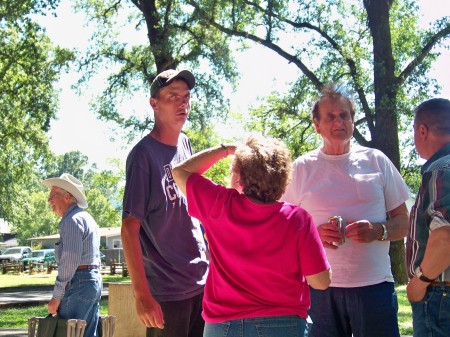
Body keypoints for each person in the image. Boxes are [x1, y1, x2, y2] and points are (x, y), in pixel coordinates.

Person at [282, 85, 410, 337]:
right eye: (331, 116)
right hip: (319, 288)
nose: (339, 121)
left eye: (345, 115)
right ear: (317, 125)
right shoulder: (301, 169)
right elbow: (282, 229)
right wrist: (314, 236)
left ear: (352, 121)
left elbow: (404, 222)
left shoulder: (376, 161)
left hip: (374, 286)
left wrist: (379, 230)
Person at [172, 135, 331, 337]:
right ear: (283, 176)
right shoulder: (298, 219)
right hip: (283, 325)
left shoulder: (219, 205)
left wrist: (226, 149)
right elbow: (320, 282)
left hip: (223, 326)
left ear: (240, 175)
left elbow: (180, 172)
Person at [121, 69, 208, 337]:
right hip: (168, 293)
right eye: (173, 96)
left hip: (202, 283)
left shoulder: (185, 144)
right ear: (154, 103)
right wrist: (142, 296)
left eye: (186, 97)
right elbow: (128, 229)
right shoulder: (143, 156)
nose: (183, 103)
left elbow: (193, 211)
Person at [405, 98, 450, 337]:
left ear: (422, 130)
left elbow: (445, 237)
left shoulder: (440, 170)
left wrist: (419, 283)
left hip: (440, 294)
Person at [42, 173, 102, 337]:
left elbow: (70, 260)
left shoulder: (71, 220)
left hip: (79, 283)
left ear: (67, 196)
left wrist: (56, 296)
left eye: (52, 195)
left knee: (67, 332)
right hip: (92, 281)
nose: (49, 200)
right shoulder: (86, 218)